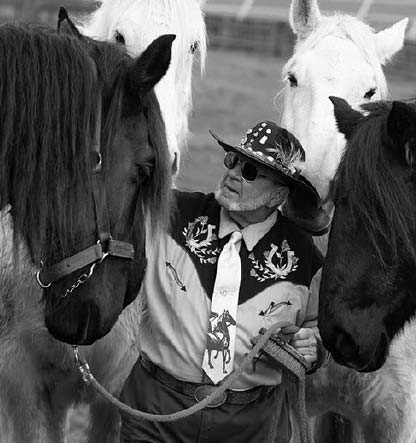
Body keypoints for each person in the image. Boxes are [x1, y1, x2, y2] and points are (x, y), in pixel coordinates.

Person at [120, 121, 326, 443]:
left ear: (278, 194)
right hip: (156, 411)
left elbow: (319, 329)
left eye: (250, 172)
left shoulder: (305, 258)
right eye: (233, 161)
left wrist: (313, 347)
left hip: (252, 427)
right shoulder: (168, 213)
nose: (233, 173)